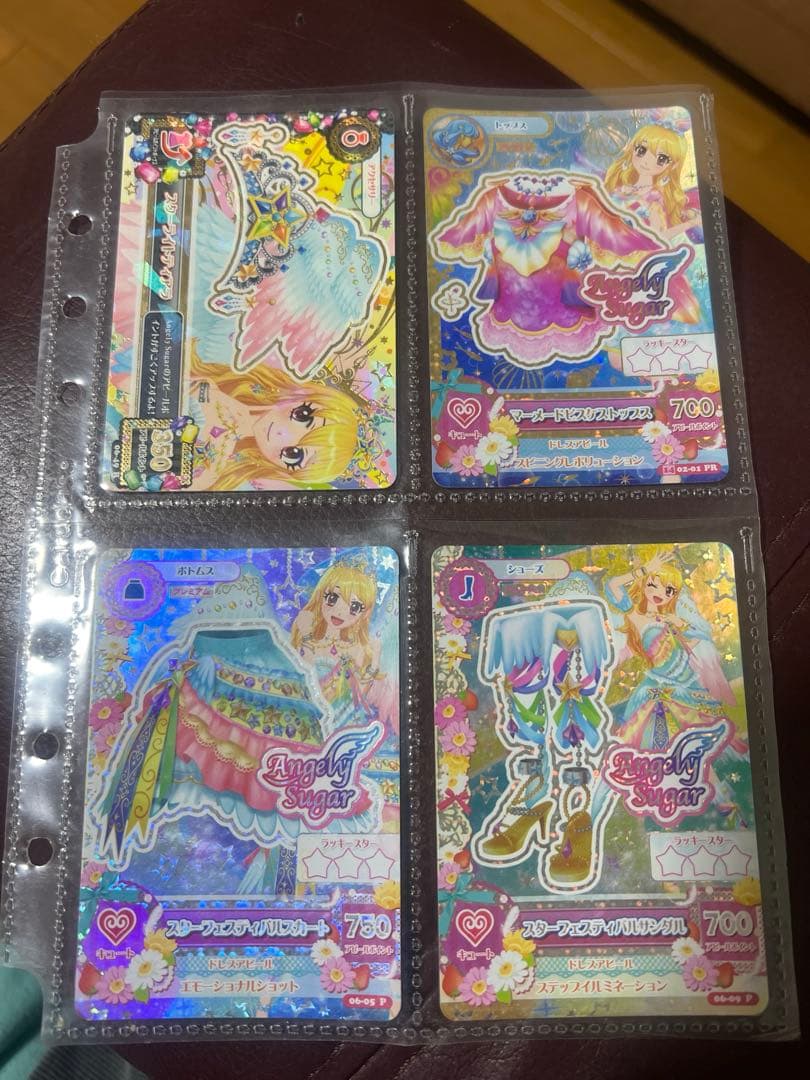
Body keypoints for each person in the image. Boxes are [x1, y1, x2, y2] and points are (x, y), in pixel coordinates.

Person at [189, 347, 359, 489]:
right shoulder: (229, 377)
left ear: (282, 470)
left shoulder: (209, 472)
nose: (283, 433)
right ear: (304, 395)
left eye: (293, 455)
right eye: (302, 416)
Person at [604, 123, 699, 241]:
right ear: (632, 148)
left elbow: (658, 237)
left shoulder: (654, 198)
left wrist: (691, 224)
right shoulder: (620, 182)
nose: (646, 161)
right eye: (641, 150)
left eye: (661, 158)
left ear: (674, 165)